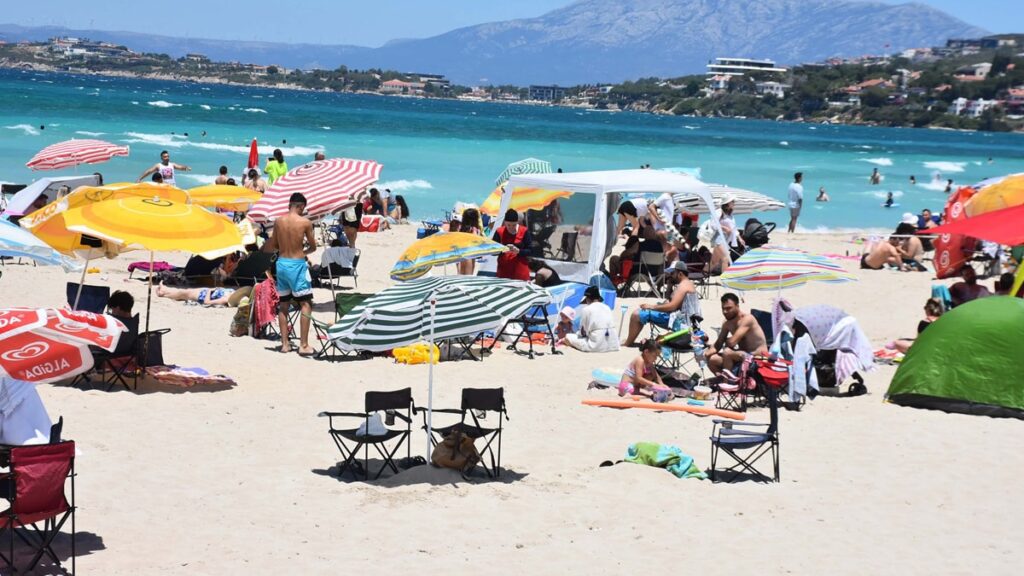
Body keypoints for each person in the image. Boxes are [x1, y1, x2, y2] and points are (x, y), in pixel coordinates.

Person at [262, 192, 317, 355]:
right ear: (301, 206)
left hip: (281, 264)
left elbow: (274, 244)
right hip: (297, 265)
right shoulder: (305, 222)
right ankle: (303, 345)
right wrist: (302, 251)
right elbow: (313, 247)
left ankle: (285, 344)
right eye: (303, 209)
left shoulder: (279, 221)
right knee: (306, 304)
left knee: (284, 304)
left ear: (290, 204)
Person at [623, 261, 701, 347]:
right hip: (685, 321)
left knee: (636, 314)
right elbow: (670, 301)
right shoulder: (688, 284)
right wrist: (669, 286)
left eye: (672, 273)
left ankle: (628, 343)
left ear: (680, 274)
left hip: (681, 323)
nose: (670, 275)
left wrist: (652, 307)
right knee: (644, 312)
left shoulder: (683, 286)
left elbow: (672, 306)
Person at [705, 293, 768, 375]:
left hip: (757, 357)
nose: (725, 312)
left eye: (728, 308)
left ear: (737, 306)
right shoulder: (727, 323)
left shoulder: (747, 319)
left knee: (727, 352)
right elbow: (718, 343)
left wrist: (725, 340)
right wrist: (707, 353)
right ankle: (723, 379)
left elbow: (732, 343)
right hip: (740, 356)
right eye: (723, 309)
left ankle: (726, 381)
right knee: (712, 359)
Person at [563, 286, 619, 353]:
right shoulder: (607, 307)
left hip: (596, 346)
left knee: (568, 337)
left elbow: (582, 333)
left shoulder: (586, 310)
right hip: (614, 345)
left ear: (587, 299)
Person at [492, 209, 531, 281]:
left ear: (517, 222)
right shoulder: (499, 231)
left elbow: (530, 251)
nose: (511, 227)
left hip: (520, 271)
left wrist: (519, 251)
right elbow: (492, 252)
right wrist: (502, 250)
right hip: (504, 271)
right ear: (505, 223)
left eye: (514, 225)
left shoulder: (524, 231)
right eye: (508, 225)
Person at [156, 283, 243, 307]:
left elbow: (207, 302)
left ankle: (163, 293)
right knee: (185, 292)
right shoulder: (232, 292)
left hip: (202, 296)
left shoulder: (226, 299)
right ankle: (165, 290)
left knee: (182, 293)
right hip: (204, 291)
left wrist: (209, 290)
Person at [457, 208, 484, 275]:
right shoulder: (474, 229)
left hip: (462, 253)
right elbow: (475, 241)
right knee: (468, 276)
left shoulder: (461, 229)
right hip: (470, 254)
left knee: (462, 275)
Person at [718, 194, 744, 261]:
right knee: (725, 260)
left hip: (732, 241)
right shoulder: (719, 212)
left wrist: (740, 238)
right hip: (722, 241)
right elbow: (713, 224)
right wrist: (724, 228)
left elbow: (734, 228)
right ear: (727, 203)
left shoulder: (730, 215)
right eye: (732, 201)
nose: (734, 203)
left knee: (732, 260)